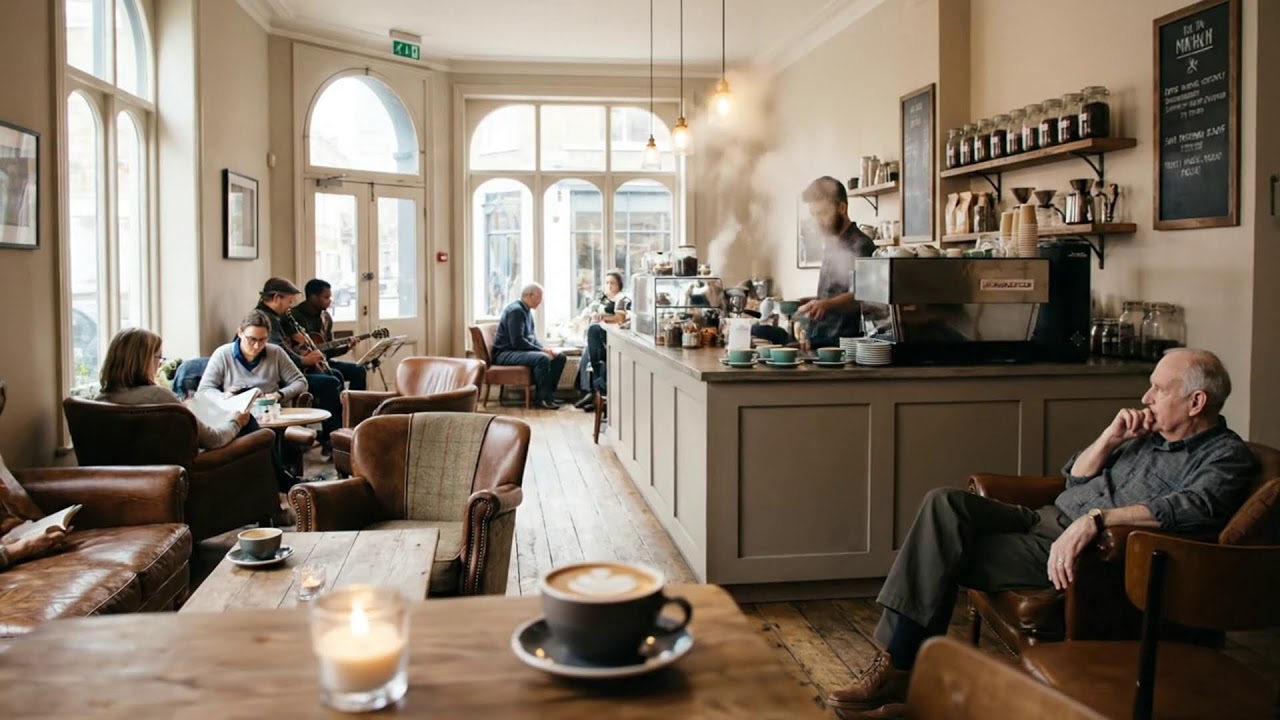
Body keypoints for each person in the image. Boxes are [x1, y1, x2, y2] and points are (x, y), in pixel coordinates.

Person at [825, 348, 1259, 718]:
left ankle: (900, 667)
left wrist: (1097, 519)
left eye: (1159, 389)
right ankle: (909, 670)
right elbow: (1074, 476)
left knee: (935, 553)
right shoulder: (1147, 435)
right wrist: (1110, 438)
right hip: (1045, 518)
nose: (1145, 397)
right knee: (944, 502)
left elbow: (1194, 507)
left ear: (1197, 401)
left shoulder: (1226, 456)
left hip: (1081, 551)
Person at [199, 311, 311, 490]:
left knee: (271, 439)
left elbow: (300, 382)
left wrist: (279, 395)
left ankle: (279, 482)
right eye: (252, 339)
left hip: (269, 413)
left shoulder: (275, 353)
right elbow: (204, 390)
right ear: (240, 333)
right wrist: (224, 396)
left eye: (263, 340)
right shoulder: (223, 354)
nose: (257, 345)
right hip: (238, 414)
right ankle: (283, 481)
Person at [763, 176, 875, 349]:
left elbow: (862, 295)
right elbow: (835, 294)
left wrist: (826, 304)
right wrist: (810, 301)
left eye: (822, 214)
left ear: (842, 208)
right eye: (813, 215)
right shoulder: (833, 244)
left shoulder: (861, 245)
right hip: (822, 339)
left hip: (844, 344)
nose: (817, 221)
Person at [95, 327, 250, 449]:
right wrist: (236, 422)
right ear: (143, 361)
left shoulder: (98, 401)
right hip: (176, 474)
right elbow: (214, 440)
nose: (161, 363)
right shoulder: (158, 396)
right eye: (158, 357)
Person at [252, 277, 342, 445]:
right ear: (277, 298)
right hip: (273, 377)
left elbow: (288, 343)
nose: (291, 304)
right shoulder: (264, 319)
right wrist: (304, 360)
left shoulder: (275, 317)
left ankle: (336, 432)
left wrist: (299, 340)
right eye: (289, 300)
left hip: (283, 372)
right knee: (329, 383)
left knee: (334, 376)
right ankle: (332, 438)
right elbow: (279, 351)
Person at [493, 283, 567, 410]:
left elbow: (531, 338)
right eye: (539, 297)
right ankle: (541, 399)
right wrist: (541, 351)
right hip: (505, 353)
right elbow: (517, 341)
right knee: (542, 358)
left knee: (559, 357)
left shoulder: (526, 310)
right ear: (529, 295)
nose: (541, 301)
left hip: (517, 350)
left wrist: (546, 349)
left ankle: (548, 395)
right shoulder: (516, 311)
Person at [291, 279, 368, 392]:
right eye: (326, 297)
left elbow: (329, 351)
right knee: (334, 377)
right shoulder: (294, 317)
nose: (330, 301)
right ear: (313, 297)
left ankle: (353, 405)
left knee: (359, 370)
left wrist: (347, 347)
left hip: (323, 363)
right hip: (305, 367)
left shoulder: (326, 318)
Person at [575, 271, 626, 411]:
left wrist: (603, 318)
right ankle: (589, 392)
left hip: (609, 334)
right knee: (586, 355)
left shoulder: (622, 298)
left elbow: (621, 318)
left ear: (619, 284)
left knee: (593, 354)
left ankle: (594, 393)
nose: (609, 285)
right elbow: (591, 310)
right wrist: (592, 315)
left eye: (612, 283)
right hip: (596, 333)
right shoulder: (602, 297)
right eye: (607, 282)